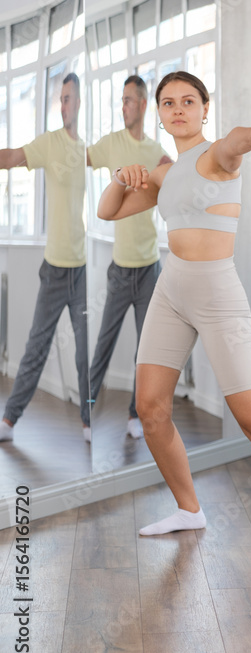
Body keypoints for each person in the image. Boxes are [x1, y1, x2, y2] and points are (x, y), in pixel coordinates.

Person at [97, 71, 251, 561]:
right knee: (151, 408)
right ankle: (189, 509)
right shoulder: (163, 172)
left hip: (217, 292)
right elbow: (108, 212)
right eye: (169, 103)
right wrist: (120, 176)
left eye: (189, 100)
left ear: (206, 107)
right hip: (171, 289)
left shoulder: (217, 155)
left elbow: (236, 143)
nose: (178, 109)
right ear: (159, 114)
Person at [0, 74, 88, 443]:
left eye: (69, 98)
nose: (65, 105)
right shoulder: (50, 143)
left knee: (85, 351)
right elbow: (12, 157)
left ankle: (88, 422)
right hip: (54, 271)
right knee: (36, 347)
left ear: (81, 102)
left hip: (82, 270)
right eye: (61, 99)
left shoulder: (86, 149)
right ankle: (8, 420)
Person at [87, 75, 173, 440]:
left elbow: (177, 180)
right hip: (120, 270)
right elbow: (80, 160)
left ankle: (134, 415)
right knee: (104, 342)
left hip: (150, 267)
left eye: (128, 100)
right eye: (121, 101)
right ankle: (86, 413)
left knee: (146, 349)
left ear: (141, 105)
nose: (123, 106)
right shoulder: (110, 144)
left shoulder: (156, 152)